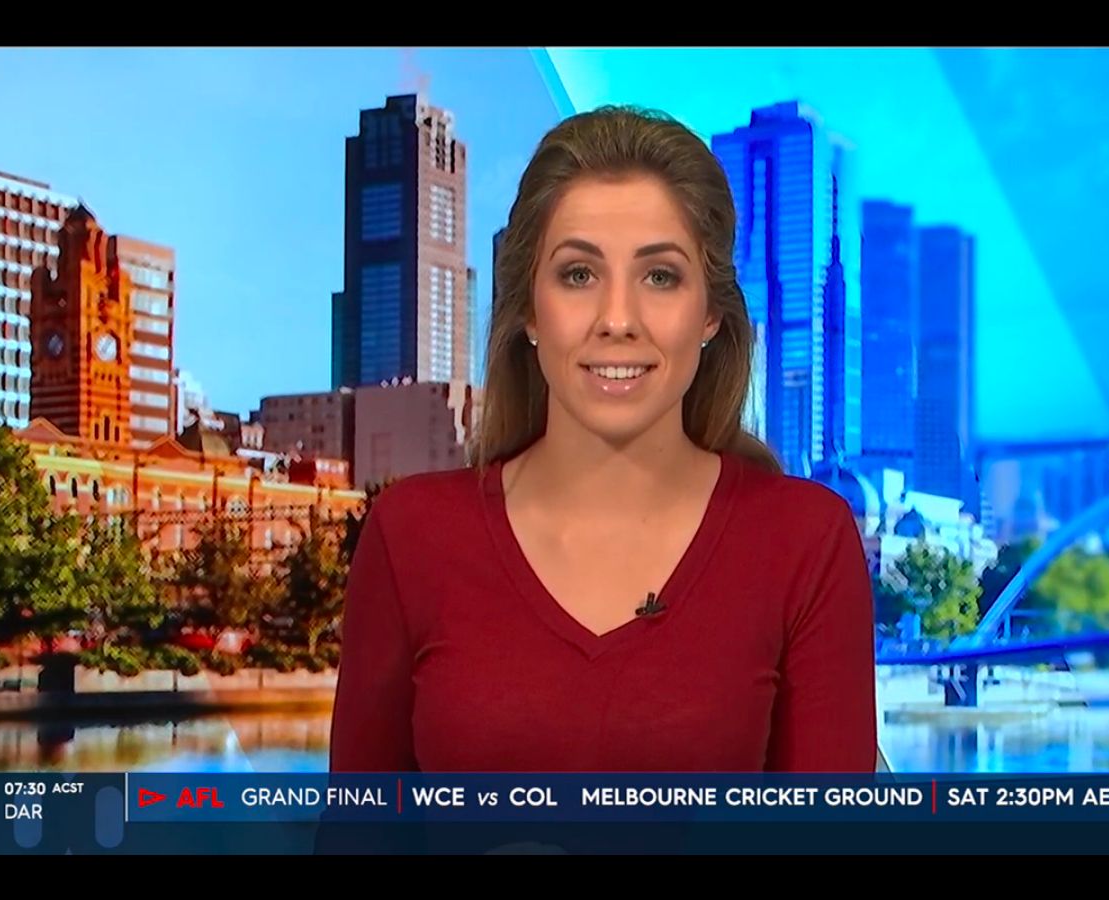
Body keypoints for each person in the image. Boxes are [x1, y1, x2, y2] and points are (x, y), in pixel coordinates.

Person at [328, 105, 877, 773]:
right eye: (579, 275)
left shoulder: (806, 541)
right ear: (530, 311)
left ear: (710, 315)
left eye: (660, 276)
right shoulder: (411, 536)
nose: (617, 319)